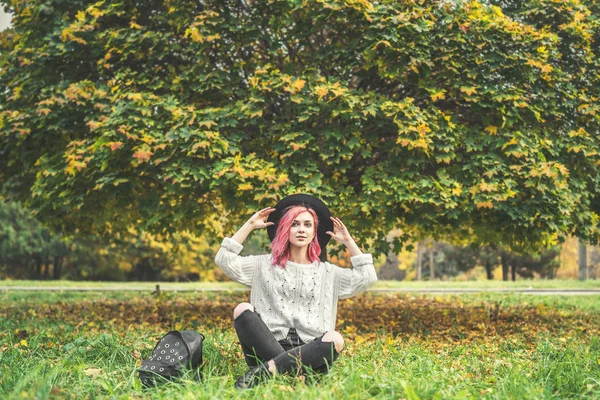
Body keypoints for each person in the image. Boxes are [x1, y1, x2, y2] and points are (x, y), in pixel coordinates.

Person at [214, 194, 378, 389]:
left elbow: (367, 276)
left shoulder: (328, 273)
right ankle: (289, 373)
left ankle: (268, 372)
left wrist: (348, 241)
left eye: (308, 225)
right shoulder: (262, 266)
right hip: (267, 346)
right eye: (295, 224)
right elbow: (224, 259)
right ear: (285, 229)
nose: (301, 229)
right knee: (242, 309)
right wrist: (249, 224)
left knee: (336, 339)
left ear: (314, 232)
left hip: (310, 354)